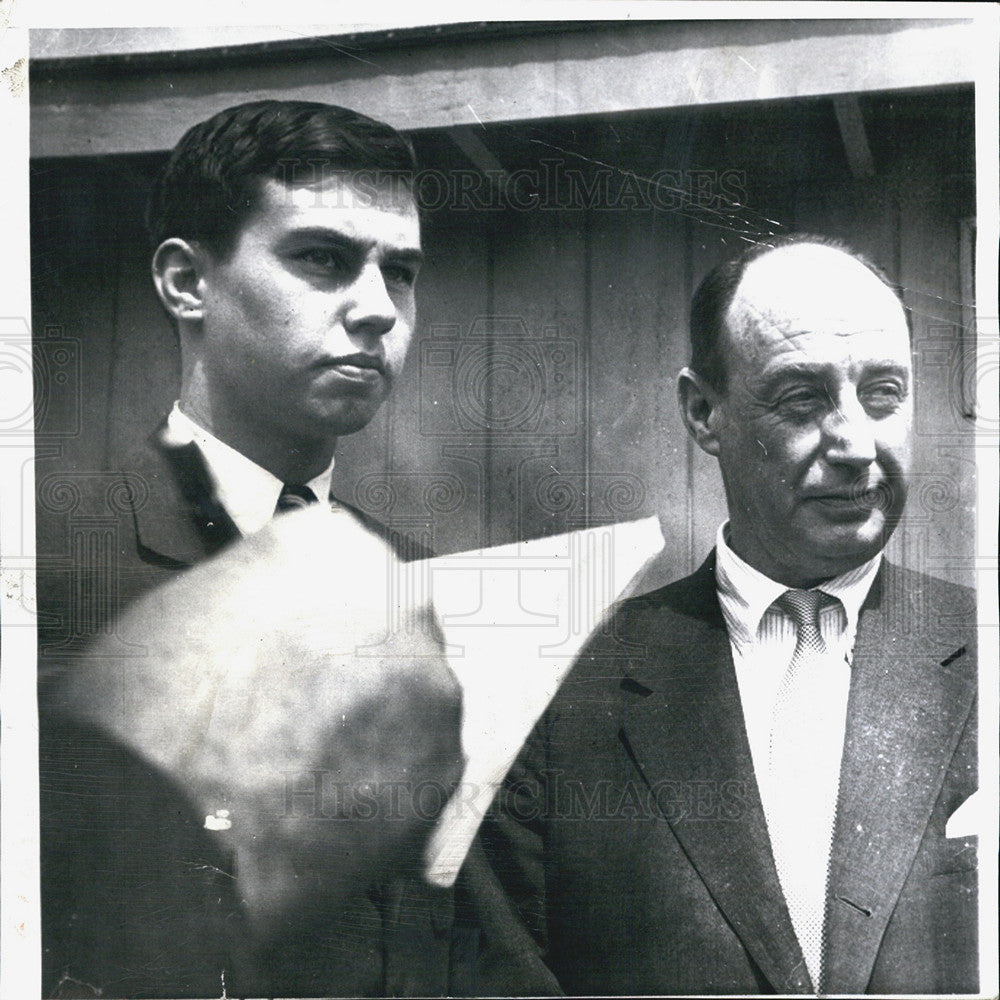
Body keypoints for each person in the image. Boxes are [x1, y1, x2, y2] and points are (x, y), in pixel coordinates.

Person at [38, 100, 468, 998]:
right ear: (187, 282)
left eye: (404, 272)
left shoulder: (429, 593)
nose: (379, 310)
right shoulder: (39, 566)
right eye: (323, 259)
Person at [480, 236, 978, 995]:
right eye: (802, 398)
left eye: (883, 392)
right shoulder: (560, 685)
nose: (853, 443)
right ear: (703, 413)